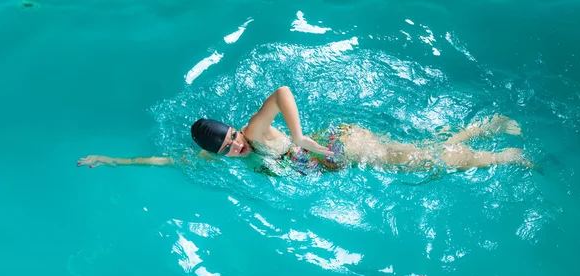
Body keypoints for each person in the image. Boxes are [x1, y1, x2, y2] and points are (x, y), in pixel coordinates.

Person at [77, 86, 532, 175]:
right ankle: (485, 129)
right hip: (329, 164)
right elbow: (161, 160)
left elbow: (282, 92)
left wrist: (297, 139)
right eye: (230, 148)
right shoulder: (210, 157)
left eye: (234, 137)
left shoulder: (254, 131)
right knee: (423, 160)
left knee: (420, 161)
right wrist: (110, 159)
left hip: (342, 145)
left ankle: (502, 155)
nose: (238, 146)